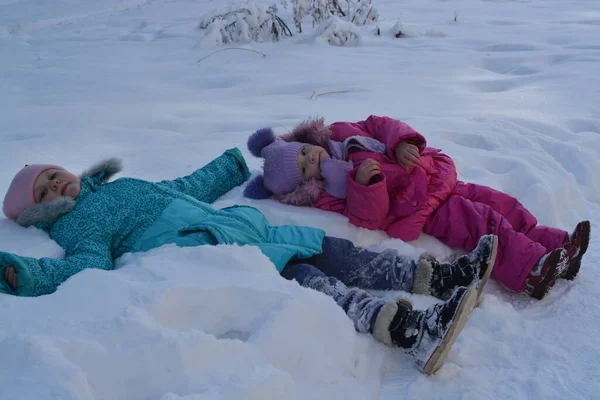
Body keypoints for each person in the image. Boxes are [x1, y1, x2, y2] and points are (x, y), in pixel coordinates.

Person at [0, 149, 496, 374]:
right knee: (311, 280)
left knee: (338, 251)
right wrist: (25, 274)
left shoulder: (119, 185)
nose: (55, 185)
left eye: (53, 174)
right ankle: (409, 329)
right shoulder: (75, 225)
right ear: (38, 211)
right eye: (43, 191)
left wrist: (228, 167)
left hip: (242, 226)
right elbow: (87, 265)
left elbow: (183, 189)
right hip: (212, 247)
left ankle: (440, 274)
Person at [243, 115, 591, 300]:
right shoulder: (329, 192)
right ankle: (530, 270)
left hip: (436, 175)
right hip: (422, 208)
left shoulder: (342, 131)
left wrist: (401, 143)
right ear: (303, 185)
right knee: (484, 222)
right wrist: (365, 185)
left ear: (304, 140)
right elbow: (370, 218)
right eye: (304, 168)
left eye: (303, 152)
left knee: (504, 206)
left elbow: (382, 124)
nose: (311, 159)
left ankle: (554, 246)